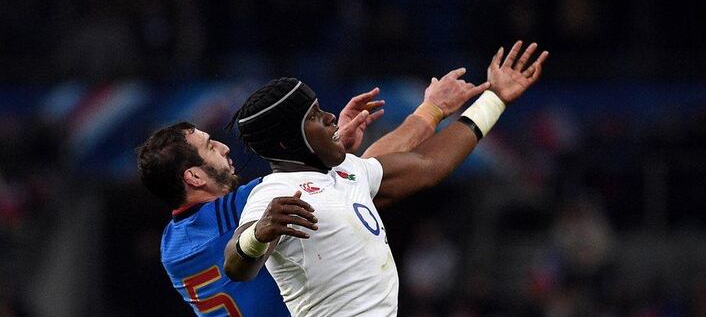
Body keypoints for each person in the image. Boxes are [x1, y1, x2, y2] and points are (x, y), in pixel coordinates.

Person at [223, 41, 549, 316]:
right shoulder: (275, 193)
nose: (330, 117)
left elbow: (428, 162)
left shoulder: (346, 176)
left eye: (321, 107)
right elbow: (237, 264)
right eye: (314, 116)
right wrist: (258, 235)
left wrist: (494, 99)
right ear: (286, 143)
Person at [136, 70, 485, 317]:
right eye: (210, 146)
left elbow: (350, 183)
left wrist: (326, 152)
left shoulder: (173, 247)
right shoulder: (257, 202)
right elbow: (367, 178)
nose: (225, 148)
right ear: (194, 177)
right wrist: (429, 112)